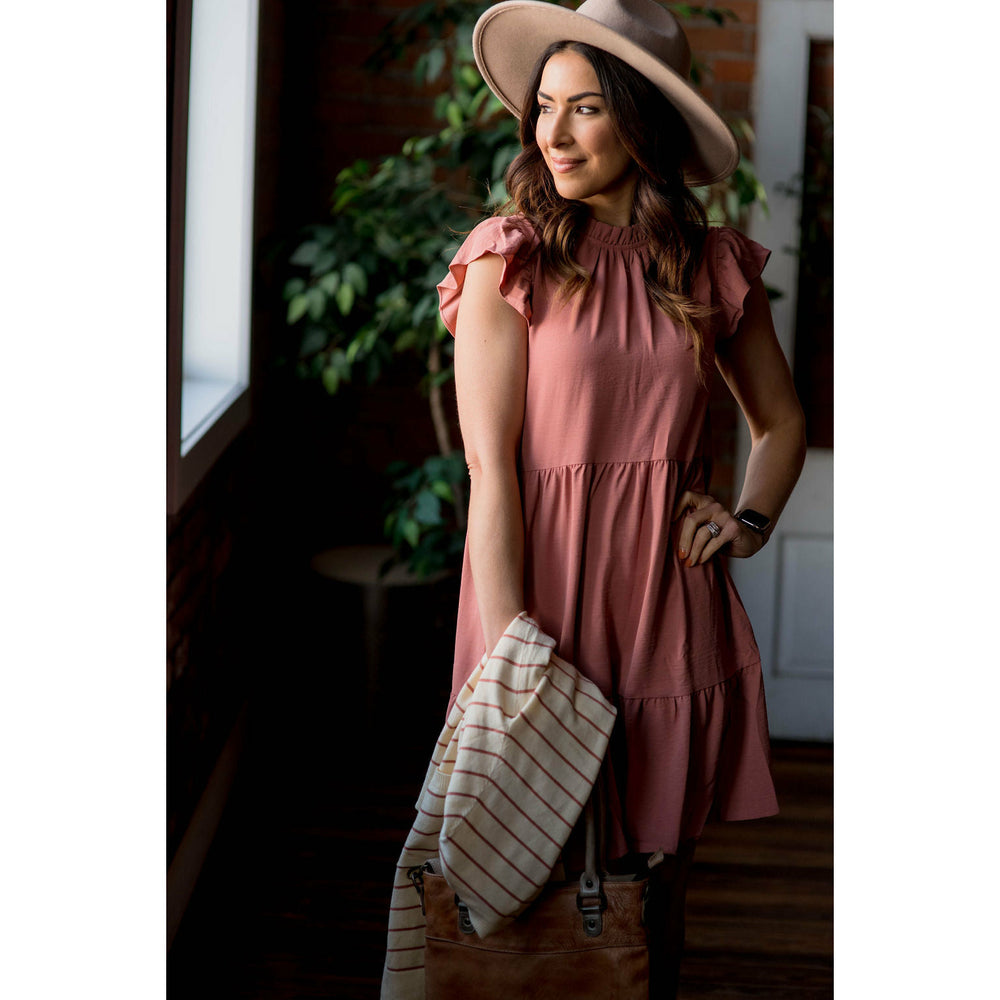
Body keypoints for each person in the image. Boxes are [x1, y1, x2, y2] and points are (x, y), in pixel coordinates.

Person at [435, 0, 806, 994]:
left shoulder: (710, 262)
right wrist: (511, 654)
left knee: (650, 893)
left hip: (666, 604)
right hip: (537, 603)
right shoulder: (508, 258)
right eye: (544, 106)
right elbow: (490, 470)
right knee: (524, 877)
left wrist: (746, 522)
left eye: (585, 108)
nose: (551, 134)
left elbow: (780, 425)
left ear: (641, 122)